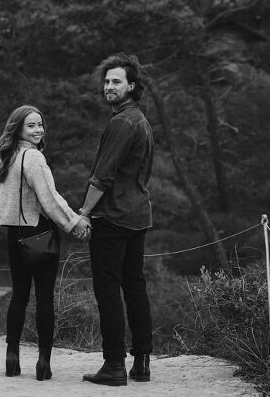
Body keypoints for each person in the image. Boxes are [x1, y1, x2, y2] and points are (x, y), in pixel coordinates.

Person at [0, 104, 91, 382]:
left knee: (19, 295)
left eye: (40, 124)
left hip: (15, 235)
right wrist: (73, 222)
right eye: (31, 126)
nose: (38, 130)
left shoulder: (9, 156)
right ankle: (43, 363)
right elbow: (49, 199)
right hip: (39, 234)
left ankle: (12, 358)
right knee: (45, 298)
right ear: (19, 128)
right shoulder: (33, 157)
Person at [80, 53, 154, 386]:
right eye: (107, 81)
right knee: (134, 285)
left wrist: (83, 213)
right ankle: (141, 363)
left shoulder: (122, 122)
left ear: (132, 86)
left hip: (113, 217)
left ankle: (113, 365)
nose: (109, 86)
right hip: (138, 214)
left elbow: (102, 176)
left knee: (108, 289)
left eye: (117, 82)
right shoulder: (141, 120)